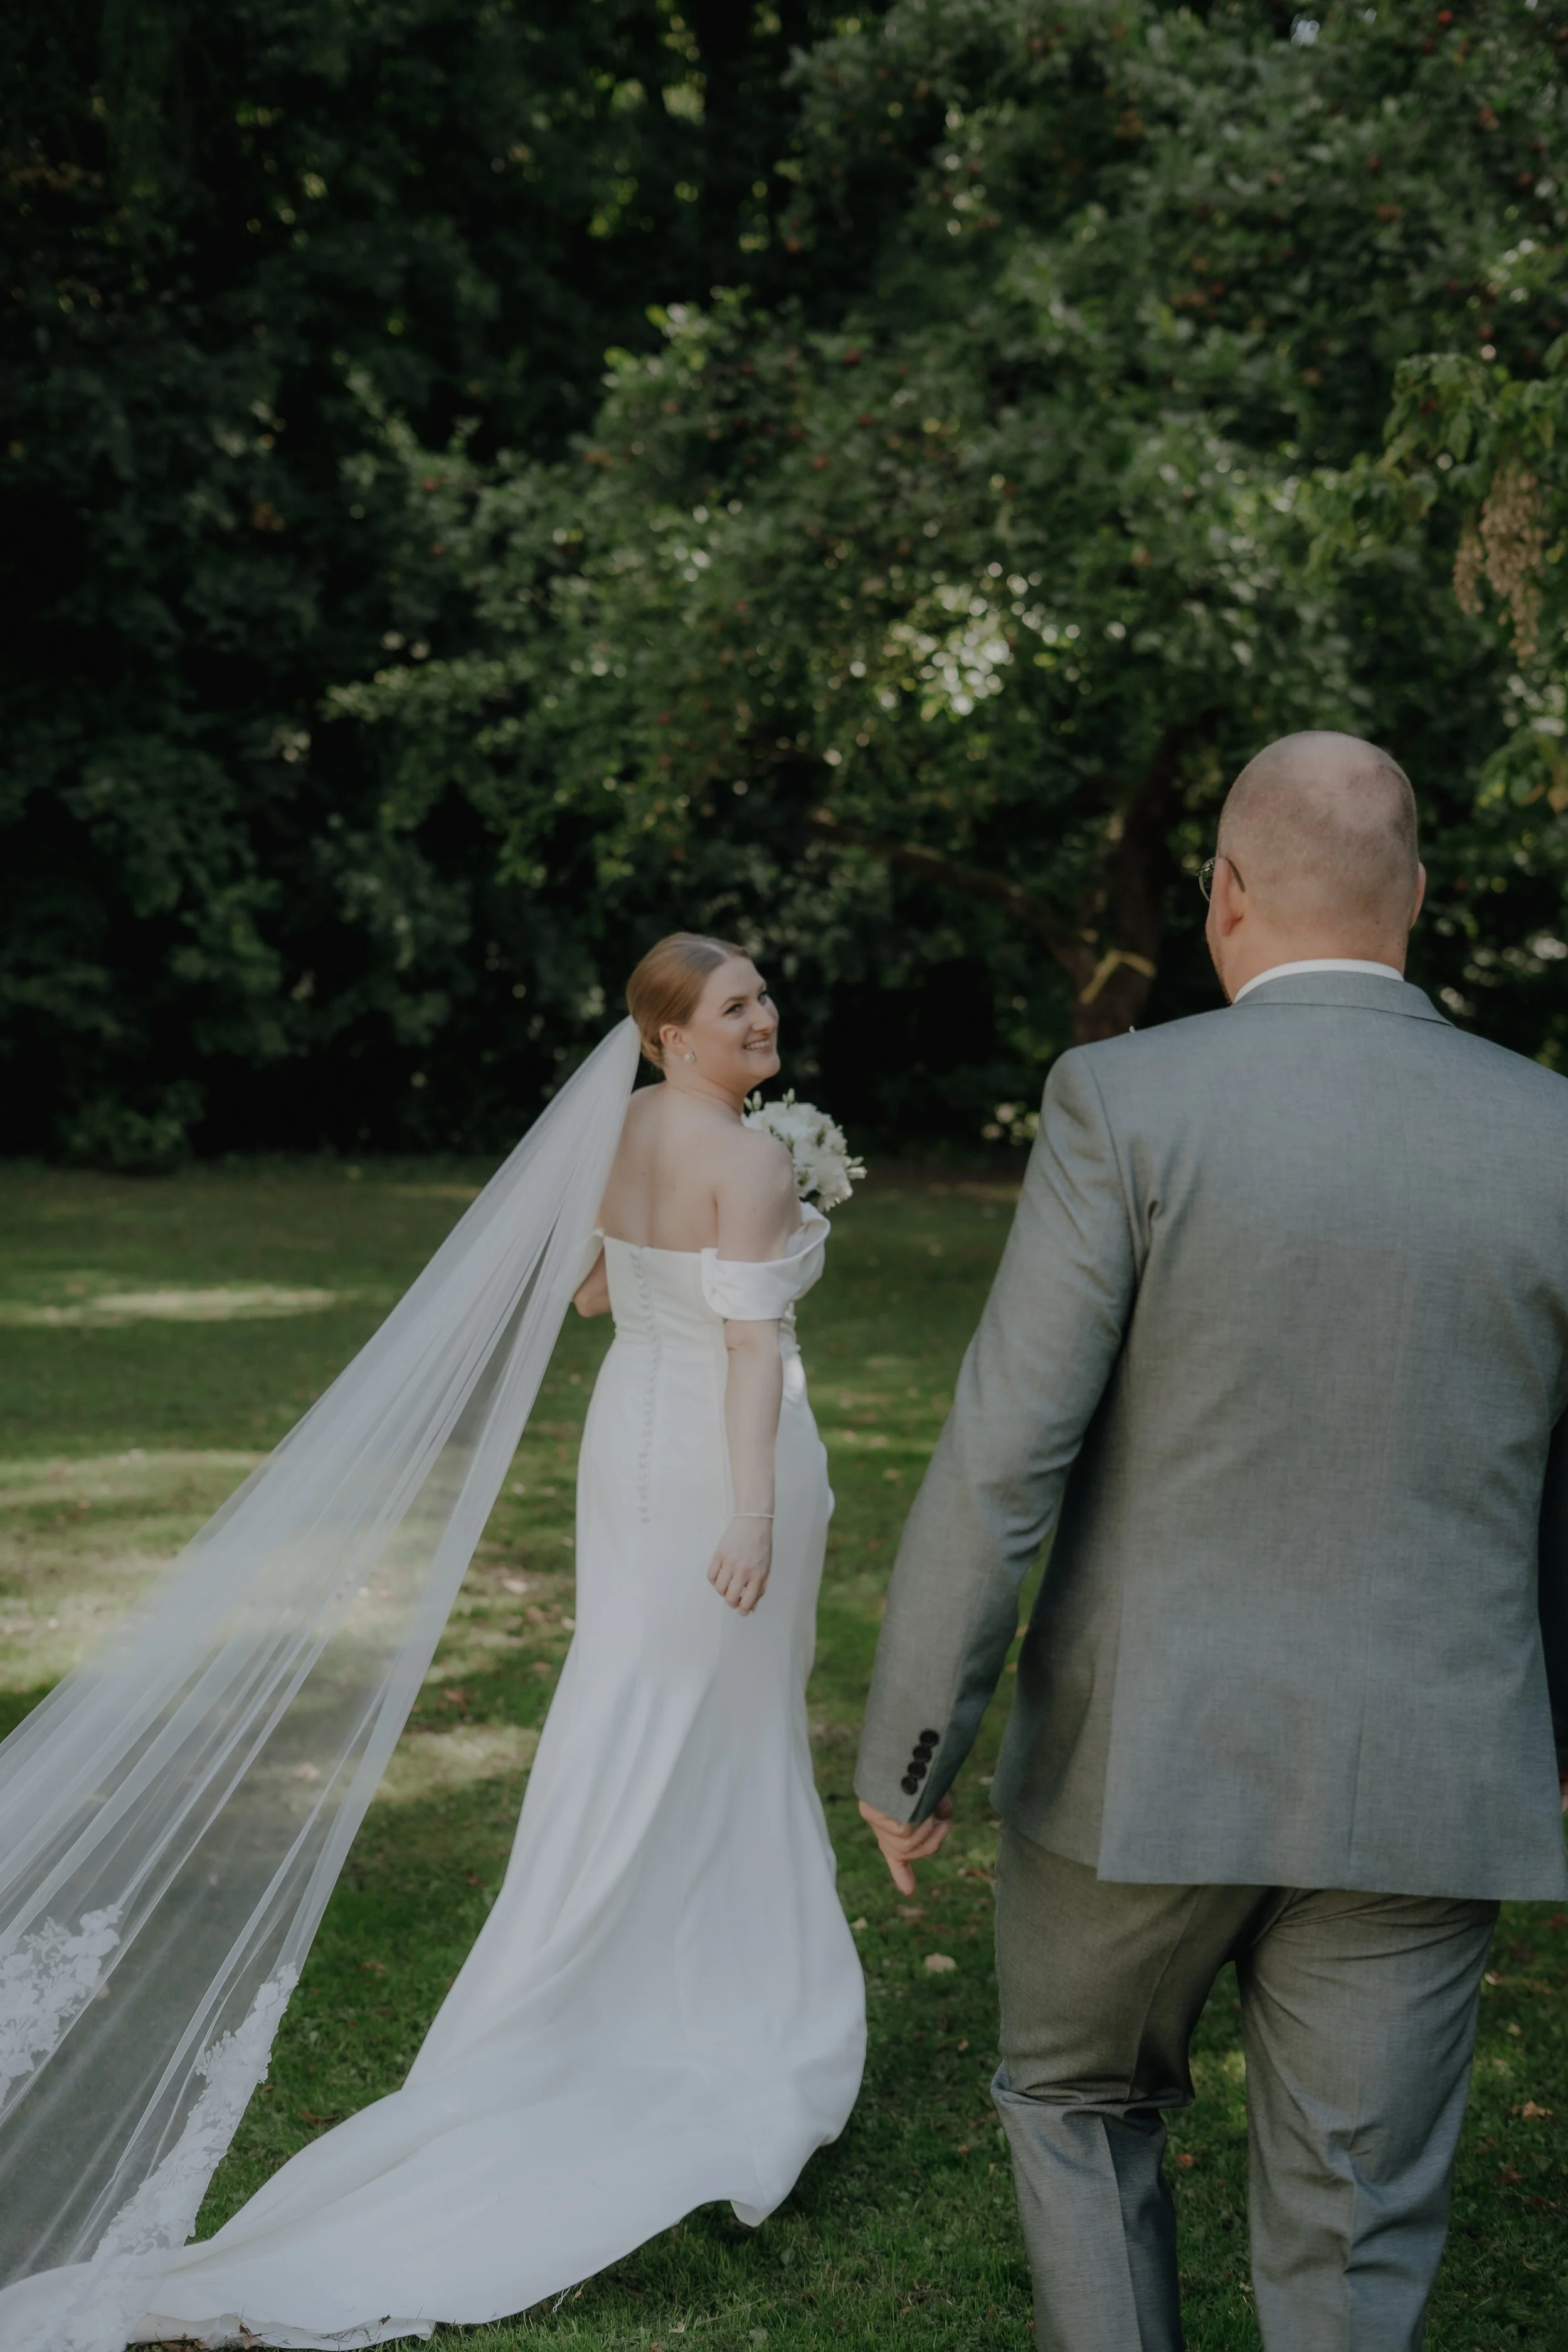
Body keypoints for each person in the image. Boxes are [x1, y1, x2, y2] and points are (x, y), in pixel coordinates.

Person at [0, 934, 863, 2350]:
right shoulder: (755, 1162)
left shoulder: (629, 1131)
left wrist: (682, 1263)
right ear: (667, 1036)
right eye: (733, 1005)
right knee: (717, 1723)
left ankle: (613, 1969)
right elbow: (753, 1354)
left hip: (629, 1452)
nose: (763, 1016)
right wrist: (759, 1515)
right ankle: (714, 2001)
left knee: (637, 1709)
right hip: (720, 1461)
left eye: (766, 994)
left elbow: (594, 1294)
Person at [855, 732, 1568, 2351]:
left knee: (1073, 2091)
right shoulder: (1551, 1129)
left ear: (1221, 894)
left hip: (1139, 1759)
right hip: (1429, 1761)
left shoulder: (1124, 1096)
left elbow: (1000, 1454)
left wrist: (913, 1743)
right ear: (1422, 896)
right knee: (1353, 2212)